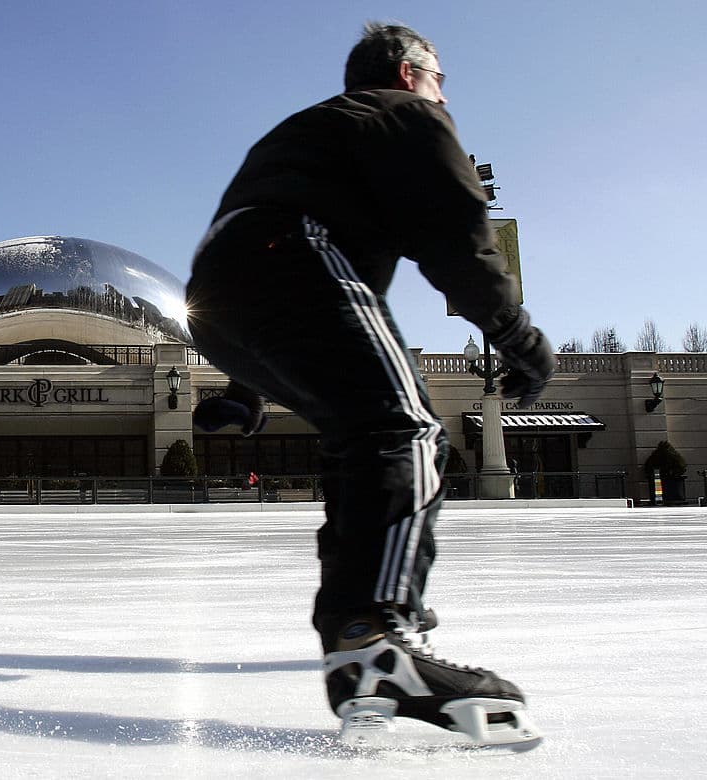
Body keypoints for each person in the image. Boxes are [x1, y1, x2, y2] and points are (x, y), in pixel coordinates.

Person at [185, 22, 553, 749]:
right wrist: (518, 335)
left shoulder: (308, 130)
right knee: (404, 430)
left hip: (217, 298)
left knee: (361, 438)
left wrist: (245, 386)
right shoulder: (405, 112)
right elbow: (457, 236)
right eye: (441, 78)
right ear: (410, 72)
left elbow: (249, 260)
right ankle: (374, 632)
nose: (445, 93)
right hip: (297, 256)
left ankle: (361, 625)